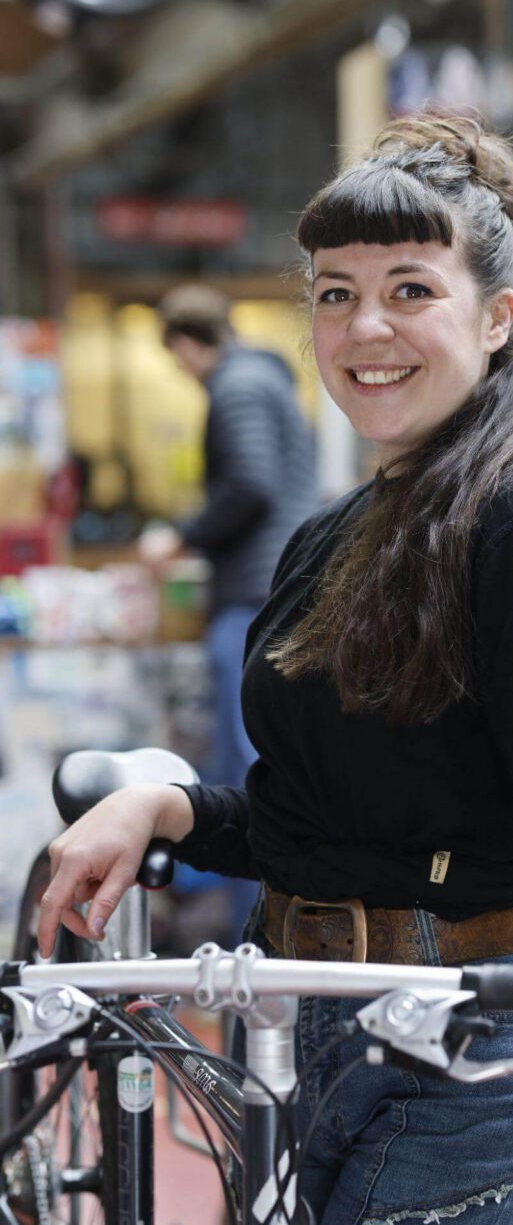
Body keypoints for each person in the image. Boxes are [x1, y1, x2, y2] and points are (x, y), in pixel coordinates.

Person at [40, 115, 513, 1225]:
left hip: (462, 1052)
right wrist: (165, 808)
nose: (364, 327)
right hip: (291, 1028)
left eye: (409, 290)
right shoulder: (331, 538)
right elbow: (315, 823)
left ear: (497, 315)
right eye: (334, 294)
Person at [140, 284, 317, 941]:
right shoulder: (265, 380)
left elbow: (250, 485)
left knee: (248, 763)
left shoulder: (237, 387)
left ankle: (257, 930)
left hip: (254, 594)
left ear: (187, 344)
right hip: (274, 586)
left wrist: (182, 536)